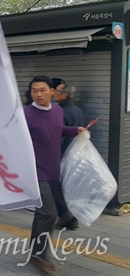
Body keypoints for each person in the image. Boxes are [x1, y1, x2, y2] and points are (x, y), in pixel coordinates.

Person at [24, 76, 86, 275]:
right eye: (34, 91)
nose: (39, 94)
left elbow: (58, 131)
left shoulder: (58, 111)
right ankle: (41, 257)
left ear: (52, 91)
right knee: (49, 214)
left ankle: (34, 254)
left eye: (42, 90)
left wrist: (74, 130)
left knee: (42, 215)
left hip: (52, 169)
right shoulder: (25, 114)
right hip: (35, 171)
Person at [51, 79, 84, 230]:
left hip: (60, 153)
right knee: (68, 186)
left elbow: (59, 135)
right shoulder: (77, 110)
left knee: (55, 185)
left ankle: (65, 214)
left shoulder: (60, 111)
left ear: (65, 94)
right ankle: (72, 219)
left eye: (57, 91)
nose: (54, 94)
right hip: (73, 153)